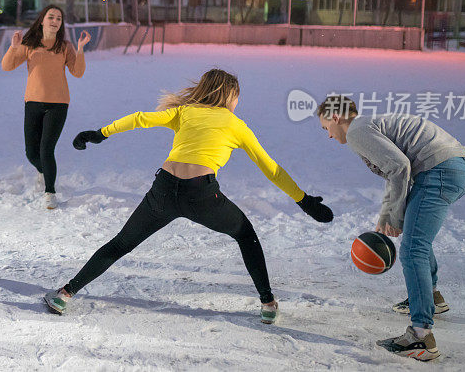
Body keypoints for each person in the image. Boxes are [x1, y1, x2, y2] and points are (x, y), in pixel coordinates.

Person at [44, 69, 333, 322]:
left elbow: (141, 118)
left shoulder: (185, 112)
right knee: (245, 234)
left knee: (121, 243)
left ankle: (65, 294)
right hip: (202, 195)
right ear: (229, 95)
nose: (237, 103)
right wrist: (303, 200)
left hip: (164, 190)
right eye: (237, 97)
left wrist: (100, 133)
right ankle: (268, 304)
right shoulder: (236, 125)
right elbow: (271, 169)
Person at [317, 95, 465, 361]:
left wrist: (393, 216)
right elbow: (399, 169)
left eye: (325, 128)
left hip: (441, 170)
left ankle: (421, 338)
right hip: (453, 167)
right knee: (417, 239)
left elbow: (400, 167)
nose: (328, 136)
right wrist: (391, 215)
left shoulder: (357, 130)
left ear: (335, 117)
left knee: (413, 249)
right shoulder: (368, 125)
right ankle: (431, 299)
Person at [1, 5, 91, 209]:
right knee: (31, 153)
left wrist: (80, 48)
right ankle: (43, 171)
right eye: (51, 17)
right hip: (32, 102)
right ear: (42, 20)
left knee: (46, 149)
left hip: (58, 104)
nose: (55, 21)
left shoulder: (64, 46)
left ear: (61, 24)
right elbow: (6, 66)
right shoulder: (29, 44)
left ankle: (50, 192)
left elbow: (78, 72)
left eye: (59, 18)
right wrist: (14, 47)